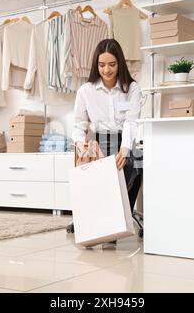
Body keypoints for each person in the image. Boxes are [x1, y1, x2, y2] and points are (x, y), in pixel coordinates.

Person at [71, 39, 143, 249]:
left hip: (124, 139)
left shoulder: (131, 88)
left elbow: (132, 121)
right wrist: (81, 144)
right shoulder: (86, 90)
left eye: (112, 64)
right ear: (96, 64)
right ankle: (100, 226)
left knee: (137, 164)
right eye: (102, 65)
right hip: (99, 140)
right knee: (106, 172)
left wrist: (126, 148)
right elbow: (79, 124)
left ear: (120, 63)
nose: (106, 70)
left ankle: (119, 223)